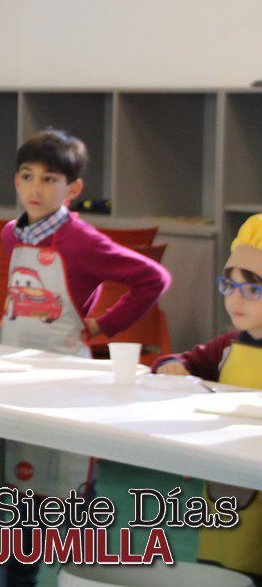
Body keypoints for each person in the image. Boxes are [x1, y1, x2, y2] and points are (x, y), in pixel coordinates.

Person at [0, 129, 170, 586]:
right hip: (14, 379)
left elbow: (152, 279)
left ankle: (93, 575)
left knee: (68, 483)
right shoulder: (11, 236)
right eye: (26, 176)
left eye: (49, 179)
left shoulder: (82, 241)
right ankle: (19, 576)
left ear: (72, 189)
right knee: (19, 489)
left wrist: (103, 325)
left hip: (66, 382)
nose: (35, 188)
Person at [154, 214, 262, 582]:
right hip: (222, 481)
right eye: (229, 286)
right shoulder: (228, 344)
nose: (236, 299)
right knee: (222, 563)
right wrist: (171, 364)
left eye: (252, 289)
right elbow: (183, 359)